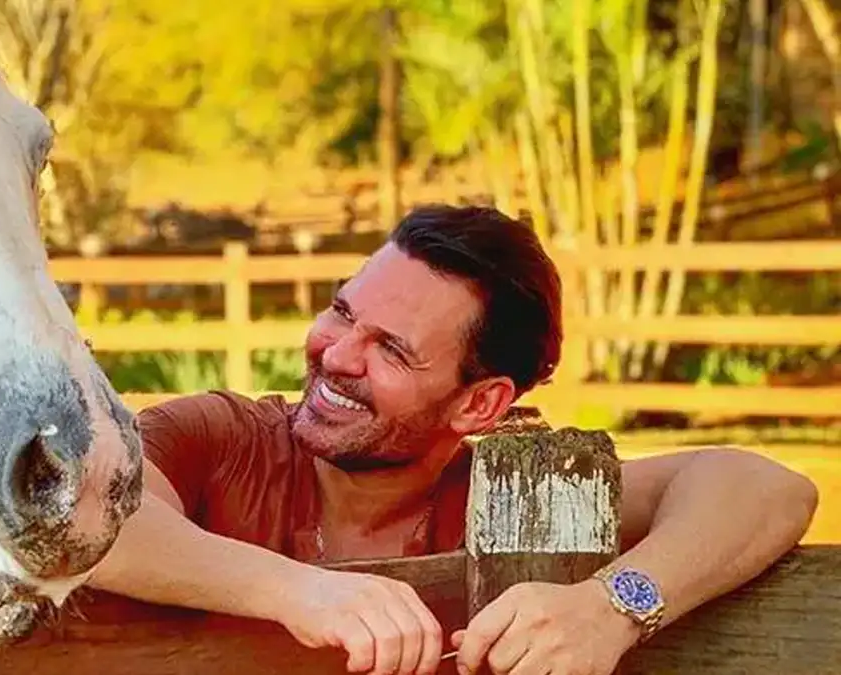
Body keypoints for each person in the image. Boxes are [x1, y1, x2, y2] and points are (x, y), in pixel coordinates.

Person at [85, 204, 819, 675]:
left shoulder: (519, 496)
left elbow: (764, 486)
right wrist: (298, 591)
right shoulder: (223, 438)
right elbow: (93, 518)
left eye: (392, 350)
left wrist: (610, 607)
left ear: (480, 402)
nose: (337, 354)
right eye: (343, 313)